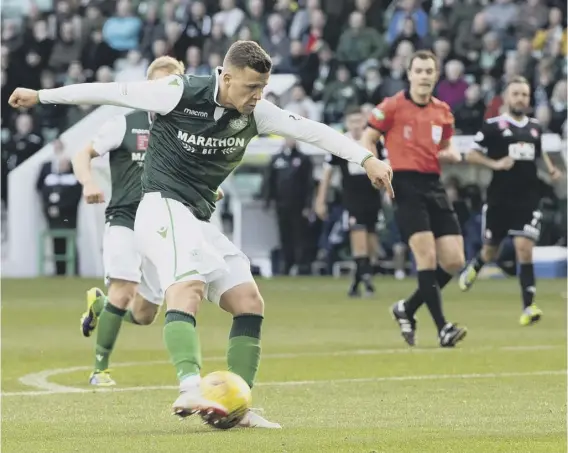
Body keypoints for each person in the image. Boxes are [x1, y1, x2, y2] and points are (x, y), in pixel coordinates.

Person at [9, 40, 393, 424]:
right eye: (249, 87)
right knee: (186, 288)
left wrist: (366, 158)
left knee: (248, 301)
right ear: (225, 78)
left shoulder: (259, 112)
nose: (257, 96)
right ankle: (190, 387)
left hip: (197, 217)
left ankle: (237, 406)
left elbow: (314, 131)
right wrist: (41, 95)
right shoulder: (178, 92)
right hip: (160, 207)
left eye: (262, 88)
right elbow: (107, 91)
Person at [71, 57, 187, 386]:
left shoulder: (183, 131)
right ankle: (99, 370)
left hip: (161, 227)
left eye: (172, 84)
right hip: (124, 219)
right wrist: (89, 182)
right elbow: (82, 154)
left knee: (144, 314)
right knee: (124, 291)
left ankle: (100, 305)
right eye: (158, 85)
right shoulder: (125, 123)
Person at [360, 49, 467, 348]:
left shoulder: (443, 111)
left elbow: (446, 146)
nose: (423, 76)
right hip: (404, 184)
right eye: (418, 70)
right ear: (409, 74)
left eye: (428, 71)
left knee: (455, 259)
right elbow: (368, 136)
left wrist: (451, 154)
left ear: (436, 75)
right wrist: (373, 163)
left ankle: (406, 308)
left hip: (433, 183)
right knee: (427, 257)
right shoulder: (392, 106)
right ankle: (443, 327)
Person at [458, 76, 562, 326]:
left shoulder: (535, 127)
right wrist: (495, 163)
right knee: (491, 250)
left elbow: (540, 151)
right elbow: (471, 155)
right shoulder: (493, 126)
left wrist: (551, 169)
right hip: (499, 200)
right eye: (516, 94)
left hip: (528, 199)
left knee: (524, 249)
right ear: (506, 97)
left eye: (524, 95)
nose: (521, 99)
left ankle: (529, 307)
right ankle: (478, 264)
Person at [316, 105, 380, 297]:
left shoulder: (374, 141)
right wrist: (320, 199)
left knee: (371, 243)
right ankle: (367, 281)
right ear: (346, 123)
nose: (355, 125)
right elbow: (327, 172)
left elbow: (385, 166)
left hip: (372, 196)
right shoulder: (340, 142)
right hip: (352, 198)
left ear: (364, 121)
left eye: (359, 121)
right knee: (358, 237)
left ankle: (357, 282)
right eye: (351, 121)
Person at [263, 138, 314, 275]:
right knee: (284, 235)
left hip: (299, 204)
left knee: (300, 235)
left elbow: (309, 184)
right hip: (281, 204)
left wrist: (308, 205)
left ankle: (302, 265)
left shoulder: (303, 159)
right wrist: (268, 200)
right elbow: (270, 180)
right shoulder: (277, 159)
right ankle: (287, 263)